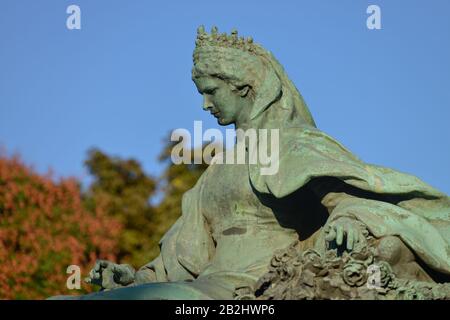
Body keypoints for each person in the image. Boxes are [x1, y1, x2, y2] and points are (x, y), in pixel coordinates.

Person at [52, 26, 450, 300]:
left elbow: (353, 201)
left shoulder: (294, 144)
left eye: (211, 91)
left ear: (242, 87)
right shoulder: (216, 169)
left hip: (250, 288)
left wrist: (348, 222)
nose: (204, 105)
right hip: (203, 286)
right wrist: (135, 276)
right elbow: (184, 259)